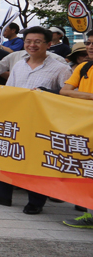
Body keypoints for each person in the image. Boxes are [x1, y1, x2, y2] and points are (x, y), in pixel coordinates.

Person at [0, 26, 71, 215]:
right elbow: (10, 90)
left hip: (41, 122)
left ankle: (36, 201)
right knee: (6, 153)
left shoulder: (60, 68)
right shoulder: (18, 64)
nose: (32, 45)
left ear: (48, 44)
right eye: (28, 41)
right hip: (15, 118)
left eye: (37, 41)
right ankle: (0, 194)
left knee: (35, 161)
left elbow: (65, 96)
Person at [59, 34, 93, 229]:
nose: (90, 47)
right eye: (88, 43)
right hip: (86, 128)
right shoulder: (83, 68)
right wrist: (90, 96)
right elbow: (65, 91)